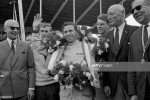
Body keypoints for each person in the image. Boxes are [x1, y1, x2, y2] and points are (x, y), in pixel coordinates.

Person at [102, 4, 139, 100]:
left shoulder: (136, 31)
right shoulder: (106, 35)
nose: (109, 17)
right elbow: (105, 61)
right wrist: (106, 83)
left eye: (111, 14)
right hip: (114, 84)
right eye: (107, 15)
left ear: (123, 13)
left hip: (133, 83)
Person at [0, 19, 35, 100]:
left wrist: (31, 88)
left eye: (17, 28)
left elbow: (31, 68)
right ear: (5, 29)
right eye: (12, 28)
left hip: (23, 91)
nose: (15, 30)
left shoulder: (26, 46)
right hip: (5, 90)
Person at [59, 21, 94, 100]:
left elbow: (94, 67)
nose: (68, 33)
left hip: (82, 92)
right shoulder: (60, 49)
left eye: (70, 31)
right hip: (66, 93)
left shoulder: (86, 46)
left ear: (76, 31)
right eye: (65, 32)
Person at [32, 14, 60, 100]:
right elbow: (34, 41)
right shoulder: (33, 46)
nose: (44, 33)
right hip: (39, 85)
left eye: (46, 31)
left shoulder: (57, 46)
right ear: (39, 32)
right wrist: (34, 28)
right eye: (42, 31)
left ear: (50, 32)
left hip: (53, 83)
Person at [128, 0, 150, 100]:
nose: (135, 12)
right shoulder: (134, 36)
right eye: (132, 11)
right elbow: (131, 66)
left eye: (138, 8)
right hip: (143, 91)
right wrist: (133, 93)